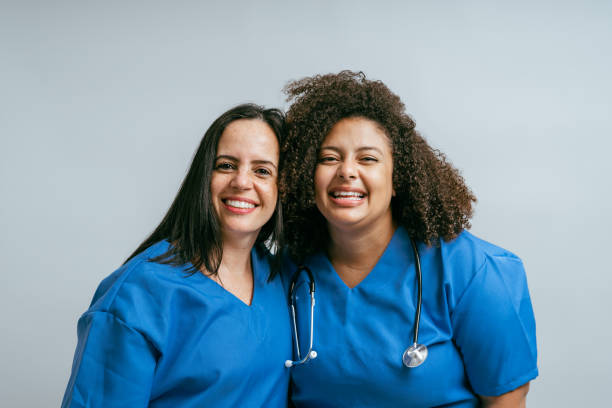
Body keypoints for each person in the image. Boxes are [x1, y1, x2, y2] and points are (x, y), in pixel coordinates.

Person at [279, 71, 538, 407]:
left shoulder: (471, 271)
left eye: (368, 158)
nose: (346, 171)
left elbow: (506, 399)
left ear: (397, 178)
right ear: (305, 175)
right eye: (329, 158)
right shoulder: (289, 271)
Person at [61, 104, 291, 407]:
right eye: (226, 165)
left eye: (262, 171)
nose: (242, 182)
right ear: (203, 176)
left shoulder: (282, 280)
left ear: (282, 188)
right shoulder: (139, 293)